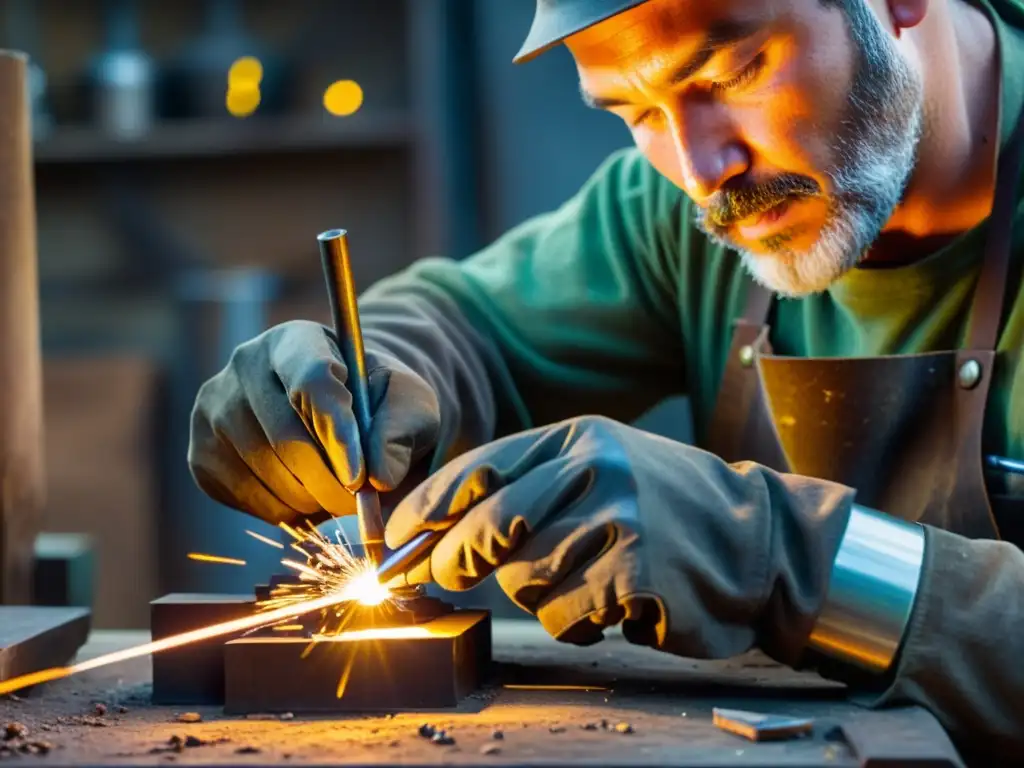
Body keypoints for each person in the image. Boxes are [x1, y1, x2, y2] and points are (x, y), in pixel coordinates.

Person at [187, 0, 1024, 759]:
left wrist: (789, 558)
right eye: (636, 111)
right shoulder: (686, 217)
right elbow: (469, 328)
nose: (702, 172)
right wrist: (361, 379)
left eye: (732, 71)